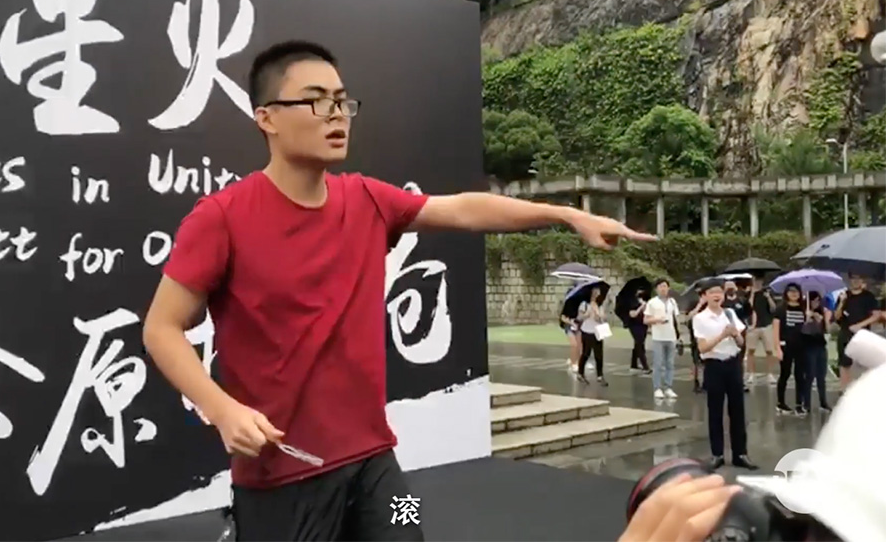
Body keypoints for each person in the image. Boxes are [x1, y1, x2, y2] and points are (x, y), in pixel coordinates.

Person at [141, 40, 655, 541]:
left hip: (376, 467)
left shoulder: (367, 198)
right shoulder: (222, 218)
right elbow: (162, 328)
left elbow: (464, 209)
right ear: (267, 118)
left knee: (408, 528)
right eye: (316, 101)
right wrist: (222, 408)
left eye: (342, 101)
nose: (336, 115)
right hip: (281, 482)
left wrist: (566, 215)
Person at [692, 278, 758, 470]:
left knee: (738, 410)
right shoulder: (700, 318)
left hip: (733, 364)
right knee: (715, 410)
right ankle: (717, 454)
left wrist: (735, 334)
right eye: (712, 292)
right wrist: (722, 335)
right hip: (714, 365)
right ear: (705, 296)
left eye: (719, 292)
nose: (716, 296)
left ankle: (740, 454)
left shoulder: (729, 313)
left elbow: (741, 343)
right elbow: (703, 348)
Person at [834, 273, 880, 390]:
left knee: (865, 363)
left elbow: (876, 315)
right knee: (844, 363)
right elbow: (836, 317)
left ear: (862, 280)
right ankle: (845, 390)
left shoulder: (868, 297)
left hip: (862, 334)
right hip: (845, 332)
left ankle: (864, 390)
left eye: (858, 278)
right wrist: (841, 302)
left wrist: (860, 325)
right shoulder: (844, 295)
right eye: (853, 278)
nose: (855, 281)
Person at [772, 283, 807, 415]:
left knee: (800, 375)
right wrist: (777, 348)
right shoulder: (781, 309)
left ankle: (799, 404)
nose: (794, 294)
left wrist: (809, 316)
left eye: (796, 291)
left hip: (801, 345)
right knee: (785, 374)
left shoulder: (804, 308)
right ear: (786, 293)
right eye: (791, 291)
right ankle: (780, 403)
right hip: (785, 345)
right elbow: (776, 329)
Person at [644, 279, 680, 399]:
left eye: (665, 286)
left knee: (670, 363)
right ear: (656, 289)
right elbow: (646, 320)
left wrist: (678, 335)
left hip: (671, 336)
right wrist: (657, 320)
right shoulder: (652, 302)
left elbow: (676, 319)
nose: (663, 289)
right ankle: (657, 388)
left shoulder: (672, 302)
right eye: (660, 286)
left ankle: (668, 387)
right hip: (658, 337)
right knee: (658, 363)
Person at [803, 291, 832, 413]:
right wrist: (807, 318)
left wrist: (826, 320)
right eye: (813, 301)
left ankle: (823, 402)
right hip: (809, 346)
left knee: (821, 376)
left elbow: (828, 331)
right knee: (809, 375)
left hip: (820, 345)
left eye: (818, 301)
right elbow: (802, 330)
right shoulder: (805, 312)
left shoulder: (823, 312)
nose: (816, 303)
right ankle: (806, 403)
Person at [722, 280, 753, 393]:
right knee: (726, 357)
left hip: (740, 332)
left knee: (739, 357)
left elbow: (749, 312)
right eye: (728, 287)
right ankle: (725, 382)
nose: (730, 289)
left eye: (732, 286)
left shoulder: (742, 300)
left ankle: (740, 381)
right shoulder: (722, 301)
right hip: (725, 333)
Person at [746, 277, 777, 387]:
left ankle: (770, 374)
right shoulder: (748, 293)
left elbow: (773, 308)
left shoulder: (766, 292)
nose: (757, 283)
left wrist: (768, 297)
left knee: (769, 351)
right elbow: (748, 307)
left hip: (766, 324)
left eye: (759, 281)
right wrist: (752, 293)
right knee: (751, 350)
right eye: (755, 281)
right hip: (753, 325)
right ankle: (751, 374)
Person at [577, 286, 609, 386]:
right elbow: (579, 317)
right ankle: (580, 373)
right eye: (595, 293)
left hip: (598, 331)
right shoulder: (584, 304)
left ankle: (600, 375)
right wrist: (586, 314)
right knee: (586, 353)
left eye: (598, 293)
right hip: (587, 331)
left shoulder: (600, 305)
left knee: (599, 354)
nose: (596, 295)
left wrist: (599, 315)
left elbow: (603, 318)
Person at [687, 291, 709, 393]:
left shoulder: (711, 305)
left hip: (708, 336)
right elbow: (689, 316)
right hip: (696, 336)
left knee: (707, 361)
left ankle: (706, 382)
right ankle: (696, 382)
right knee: (696, 361)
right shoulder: (694, 303)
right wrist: (699, 305)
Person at [628, 289, 650, 373]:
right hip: (634, 325)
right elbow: (633, 314)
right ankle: (645, 366)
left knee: (638, 344)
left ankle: (633, 365)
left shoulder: (647, 304)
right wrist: (640, 307)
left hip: (643, 326)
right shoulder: (632, 303)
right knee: (640, 344)